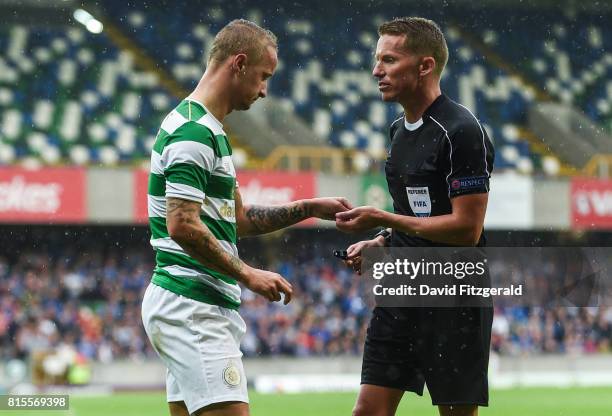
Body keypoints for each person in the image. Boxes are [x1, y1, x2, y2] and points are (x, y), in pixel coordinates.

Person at [141, 19, 351, 416]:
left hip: (189, 302)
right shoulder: (193, 134)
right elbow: (182, 225)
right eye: (263, 76)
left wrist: (308, 207)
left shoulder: (209, 130)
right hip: (193, 304)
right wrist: (250, 275)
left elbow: (239, 219)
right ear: (238, 63)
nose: (265, 89)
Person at [335, 17, 495, 416]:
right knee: (367, 410)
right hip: (402, 287)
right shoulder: (397, 132)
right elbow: (414, 214)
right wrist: (383, 240)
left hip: (454, 294)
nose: (377, 71)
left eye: (389, 60)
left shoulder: (462, 130)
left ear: (424, 66)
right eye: (377, 60)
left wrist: (380, 217)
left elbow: (466, 230)